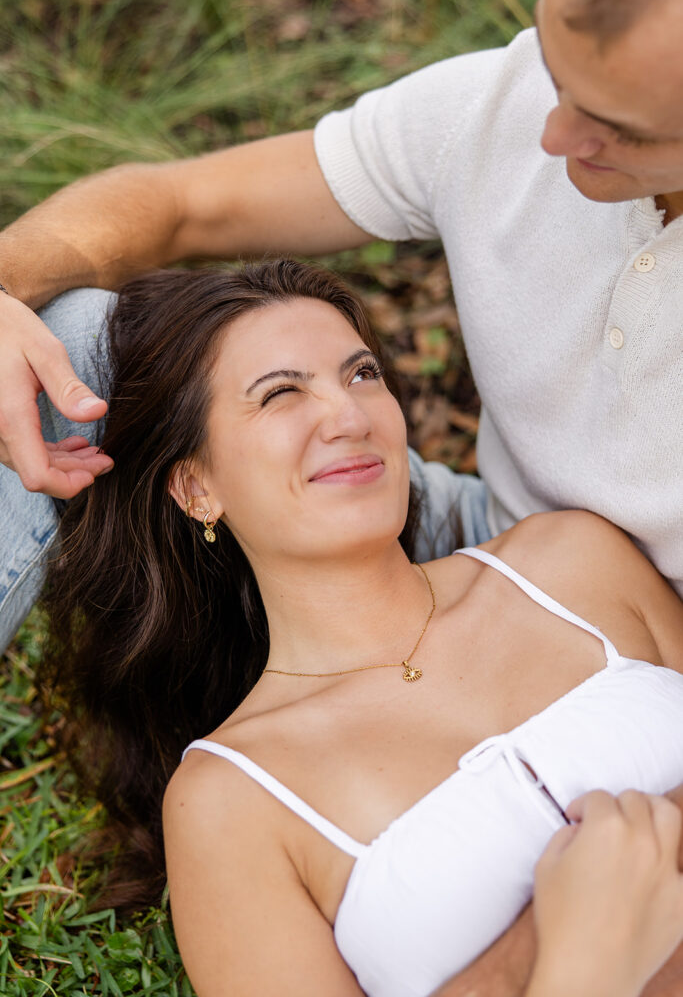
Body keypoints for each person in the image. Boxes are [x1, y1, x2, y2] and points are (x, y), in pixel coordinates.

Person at [41, 260, 683, 997]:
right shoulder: (227, 803)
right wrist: (575, 967)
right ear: (196, 487)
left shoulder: (572, 561)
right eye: (281, 393)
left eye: (361, 374)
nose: (349, 416)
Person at [1, 0, 683, 651]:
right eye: (556, 76)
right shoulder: (501, 99)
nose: (554, 136)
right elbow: (185, 205)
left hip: (653, 635)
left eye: (620, 129)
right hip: (484, 531)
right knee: (68, 341)